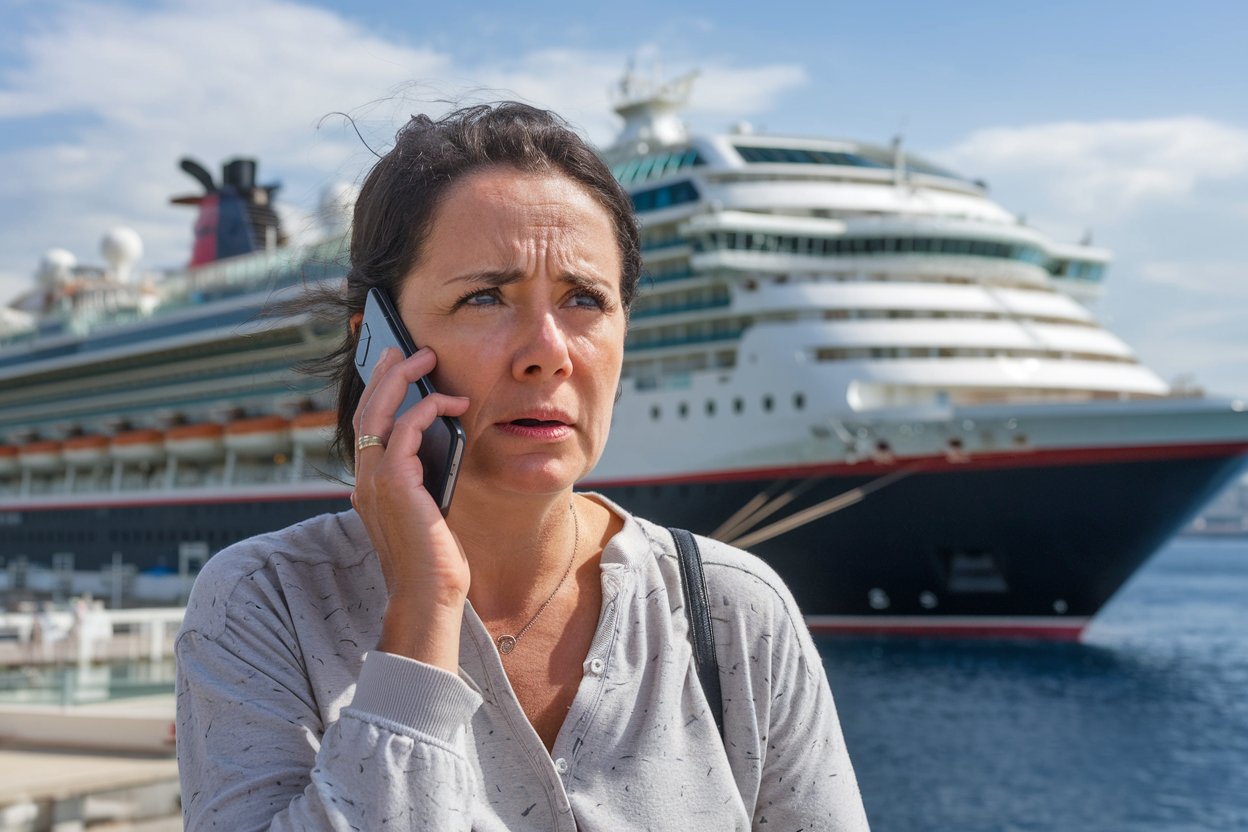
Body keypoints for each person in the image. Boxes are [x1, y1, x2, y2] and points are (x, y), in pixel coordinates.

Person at [175, 102, 870, 831]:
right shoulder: (266, 604)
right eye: (485, 297)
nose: (549, 351)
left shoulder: (733, 608)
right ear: (377, 341)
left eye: (584, 300)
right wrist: (424, 611)